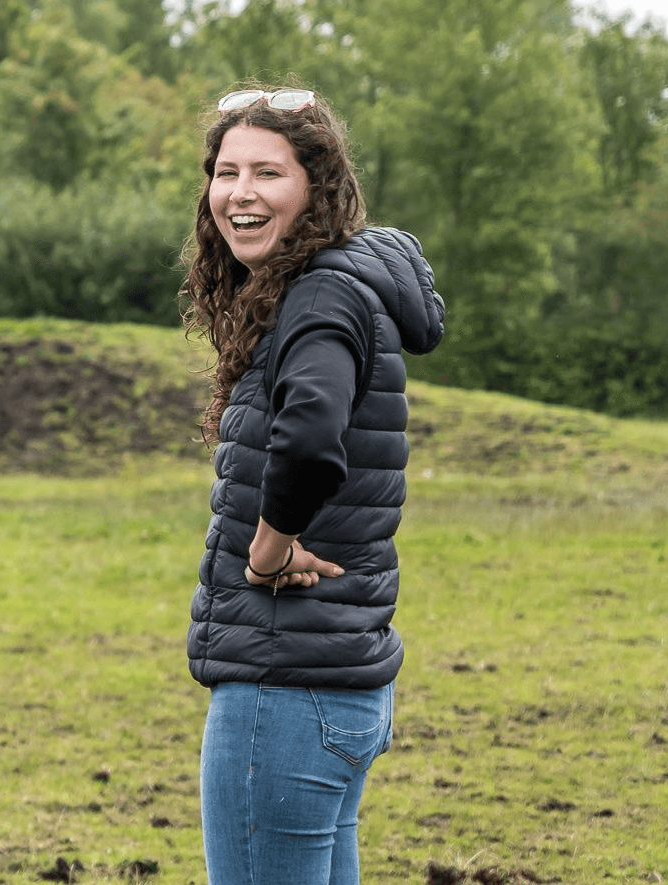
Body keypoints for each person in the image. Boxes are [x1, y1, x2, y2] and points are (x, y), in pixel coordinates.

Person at [180, 83, 445, 884]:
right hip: (337, 677)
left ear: (317, 188)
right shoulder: (344, 286)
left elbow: (310, 437)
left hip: (284, 685)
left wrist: (269, 549)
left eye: (268, 172)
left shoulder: (320, 292)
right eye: (227, 172)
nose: (240, 193)